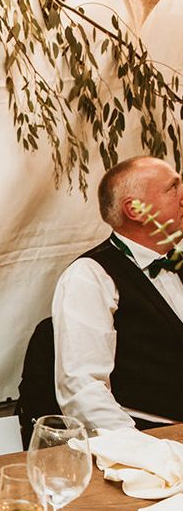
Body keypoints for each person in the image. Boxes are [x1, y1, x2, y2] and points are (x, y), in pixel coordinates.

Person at [51, 155, 183, 432]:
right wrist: (142, 451)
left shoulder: (177, 260)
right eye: (173, 188)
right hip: (155, 438)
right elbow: (83, 391)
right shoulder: (89, 277)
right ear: (135, 209)